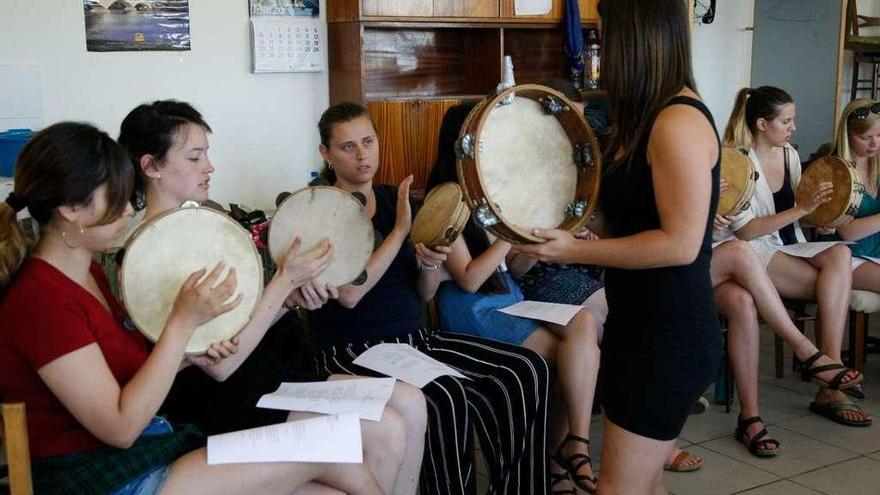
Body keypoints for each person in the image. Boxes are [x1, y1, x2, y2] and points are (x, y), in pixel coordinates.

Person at [0, 122, 390, 494]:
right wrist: (182, 326)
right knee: (331, 448)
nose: (125, 211)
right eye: (115, 197)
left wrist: (195, 355)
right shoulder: (40, 301)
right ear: (70, 207)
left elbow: (129, 374)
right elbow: (120, 427)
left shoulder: (88, 277)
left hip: (142, 450)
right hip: (101, 478)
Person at [117, 100, 428, 494]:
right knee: (386, 428)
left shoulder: (203, 225)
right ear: (150, 166)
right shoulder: (149, 253)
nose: (209, 167)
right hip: (219, 399)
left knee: (407, 404)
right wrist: (283, 283)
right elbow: (219, 365)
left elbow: (242, 319)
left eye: (206, 155)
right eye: (194, 157)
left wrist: (290, 298)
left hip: (266, 373)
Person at [291, 101, 551, 495]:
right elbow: (348, 295)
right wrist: (399, 232)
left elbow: (423, 292)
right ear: (325, 154)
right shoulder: (319, 208)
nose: (362, 155)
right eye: (347, 147)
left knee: (526, 369)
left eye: (368, 141)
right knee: (446, 394)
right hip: (352, 349)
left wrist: (430, 265)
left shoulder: (397, 200)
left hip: (414, 339)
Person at [516, 0, 722, 491]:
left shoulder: (677, 123)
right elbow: (628, 221)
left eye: (607, 37)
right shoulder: (644, 120)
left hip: (669, 335)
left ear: (637, 41)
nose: (600, 50)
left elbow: (680, 244)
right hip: (636, 323)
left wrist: (575, 251)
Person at [426, 99, 602, 494]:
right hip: (471, 307)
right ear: (463, 143)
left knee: (586, 323)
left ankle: (574, 444)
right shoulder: (446, 198)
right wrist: (509, 235)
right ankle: (559, 458)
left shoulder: (494, 187)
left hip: (509, 295)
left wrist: (530, 244)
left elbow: (513, 271)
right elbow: (470, 279)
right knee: (561, 359)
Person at [717, 87, 870, 427]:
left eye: (793, 120)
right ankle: (828, 383)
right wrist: (803, 209)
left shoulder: (787, 154)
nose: (793, 128)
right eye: (786, 121)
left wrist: (823, 218)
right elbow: (746, 232)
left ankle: (825, 368)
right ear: (761, 123)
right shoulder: (738, 160)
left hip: (788, 245)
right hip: (754, 250)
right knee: (834, 285)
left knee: (840, 254)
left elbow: (800, 215)